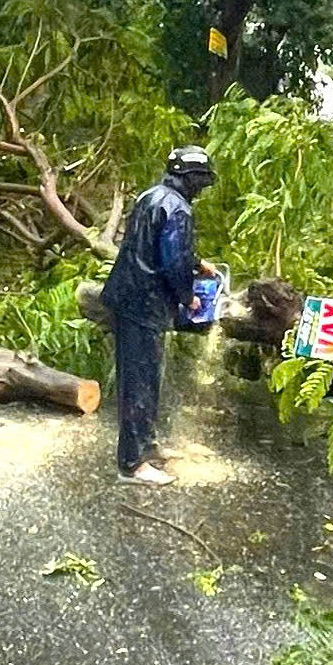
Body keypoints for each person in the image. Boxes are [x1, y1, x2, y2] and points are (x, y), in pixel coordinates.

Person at [100, 145, 220, 486]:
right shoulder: (178, 208)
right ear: (192, 178)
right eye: (202, 181)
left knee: (144, 380)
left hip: (129, 298)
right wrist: (189, 296)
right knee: (140, 384)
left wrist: (198, 264)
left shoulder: (151, 196)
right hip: (145, 303)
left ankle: (147, 445)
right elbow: (171, 261)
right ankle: (132, 464)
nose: (203, 189)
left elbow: (158, 245)